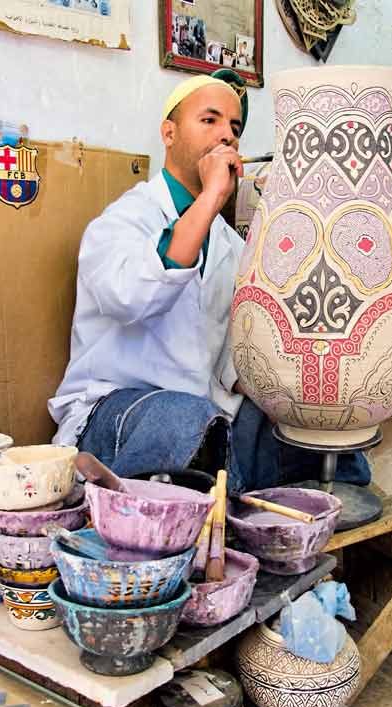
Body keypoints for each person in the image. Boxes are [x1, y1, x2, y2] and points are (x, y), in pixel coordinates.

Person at [49, 75, 371, 492]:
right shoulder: (121, 222)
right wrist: (211, 198)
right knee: (185, 419)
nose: (226, 137)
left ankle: (261, 511)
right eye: (209, 120)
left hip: (206, 414)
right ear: (169, 133)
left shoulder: (230, 246)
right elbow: (128, 299)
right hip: (116, 413)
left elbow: (229, 355)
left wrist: (290, 396)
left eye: (235, 128)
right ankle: (221, 509)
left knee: (308, 431)